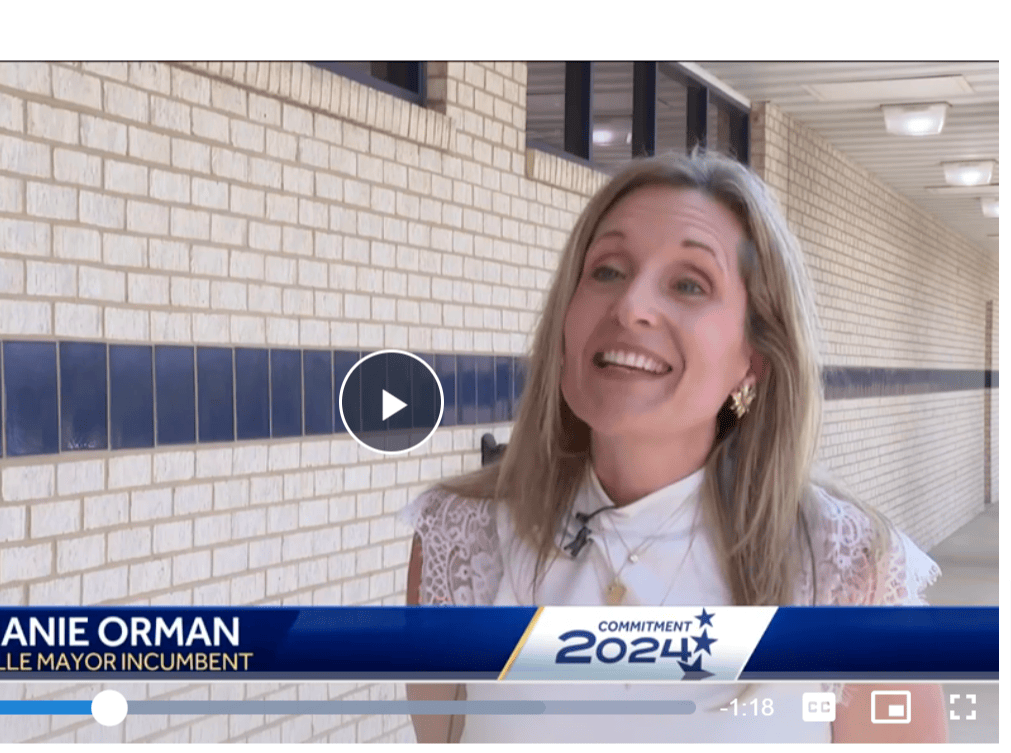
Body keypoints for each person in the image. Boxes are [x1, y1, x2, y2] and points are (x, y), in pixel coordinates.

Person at [401, 152, 946, 743]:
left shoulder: (847, 568)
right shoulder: (463, 538)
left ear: (755, 358)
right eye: (607, 270)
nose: (631, 305)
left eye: (689, 284)